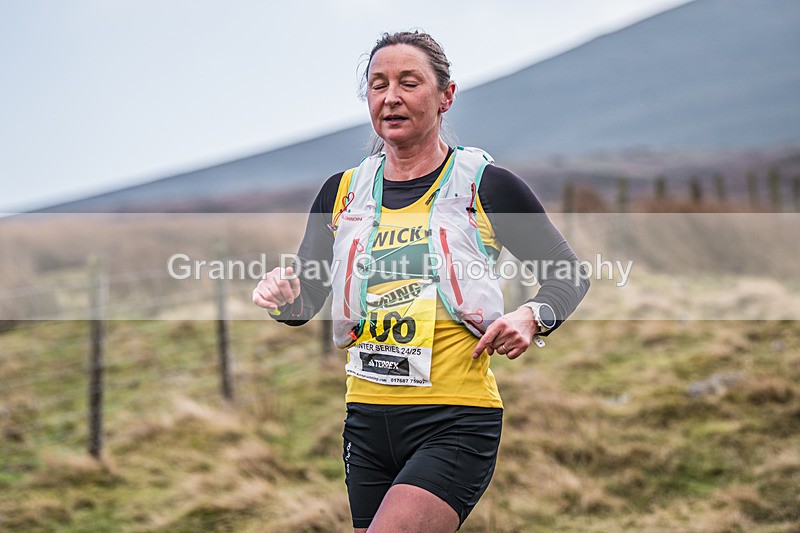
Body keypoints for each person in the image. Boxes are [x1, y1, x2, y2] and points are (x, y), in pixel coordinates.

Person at [252, 31, 588, 533]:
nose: (391, 97)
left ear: (445, 95)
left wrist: (531, 316)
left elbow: (567, 272)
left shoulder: (484, 185)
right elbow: (308, 300)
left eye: (409, 83)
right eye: (378, 84)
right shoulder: (343, 192)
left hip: (454, 419)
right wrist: (283, 298)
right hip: (366, 424)